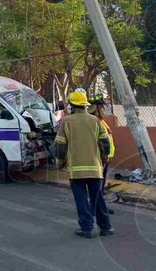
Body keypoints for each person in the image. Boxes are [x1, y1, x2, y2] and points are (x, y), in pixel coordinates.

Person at [54, 90, 113, 239]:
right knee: (97, 198)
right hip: (95, 168)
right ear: (85, 105)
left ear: (72, 106)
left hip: (76, 170)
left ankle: (87, 228)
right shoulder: (95, 121)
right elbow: (105, 143)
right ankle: (106, 227)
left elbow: (60, 146)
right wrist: (104, 159)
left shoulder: (66, 122)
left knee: (81, 200)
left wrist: (59, 163)